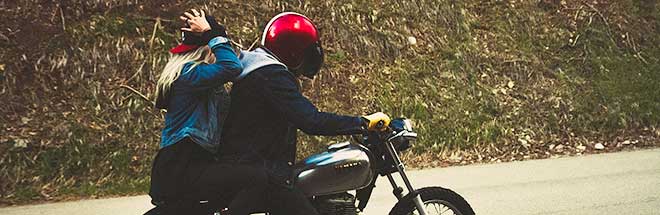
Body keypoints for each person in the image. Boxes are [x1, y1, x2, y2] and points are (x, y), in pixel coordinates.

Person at [219, 12, 391, 215]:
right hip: (262, 170)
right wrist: (362, 122)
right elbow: (311, 120)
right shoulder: (271, 75)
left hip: (254, 164)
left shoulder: (259, 70)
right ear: (294, 52)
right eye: (307, 51)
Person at [147, 9, 267, 215]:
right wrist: (213, 35)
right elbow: (232, 67)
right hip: (182, 164)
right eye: (214, 47)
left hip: (190, 162)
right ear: (207, 49)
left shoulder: (202, 79)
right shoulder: (189, 75)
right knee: (257, 179)